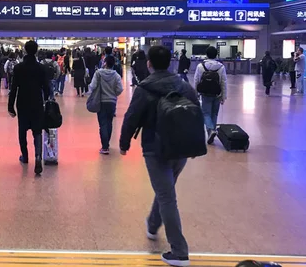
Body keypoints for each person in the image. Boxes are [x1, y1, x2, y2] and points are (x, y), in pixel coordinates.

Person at [119, 46, 199, 267]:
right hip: (181, 146)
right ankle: (153, 224)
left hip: (155, 148)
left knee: (166, 196)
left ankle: (180, 252)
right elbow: (195, 112)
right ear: (170, 62)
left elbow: (132, 117)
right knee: (166, 190)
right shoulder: (184, 86)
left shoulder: (145, 88)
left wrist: (124, 143)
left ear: (149, 64)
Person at [8, 40, 50, 175]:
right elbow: (47, 88)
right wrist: (48, 100)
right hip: (37, 102)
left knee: (22, 130)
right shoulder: (41, 68)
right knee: (37, 131)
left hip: (23, 102)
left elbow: (14, 88)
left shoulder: (19, 68)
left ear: (25, 50)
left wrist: (10, 106)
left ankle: (25, 156)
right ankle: (38, 156)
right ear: (36, 51)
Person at [89, 56, 123, 155]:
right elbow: (120, 89)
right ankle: (107, 143)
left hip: (101, 101)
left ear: (105, 63)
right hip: (112, 102)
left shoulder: (98, 73)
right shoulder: (116, 75)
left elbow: (93, 86)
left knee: (102, 123)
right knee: (109, 123)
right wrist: (113, 94)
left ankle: (105, 147)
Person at [193, 46, 227, 145]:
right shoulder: (221, 67)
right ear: (216, 54)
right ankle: (211, 132)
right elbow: (223, 82)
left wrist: (196, 94)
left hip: (205, 93)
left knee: (205, 113)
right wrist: (223, 96)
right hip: (217, 93)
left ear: (206, 54)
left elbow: (196, 80)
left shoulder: (201, 66)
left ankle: (211, 131)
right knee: (214, 114)